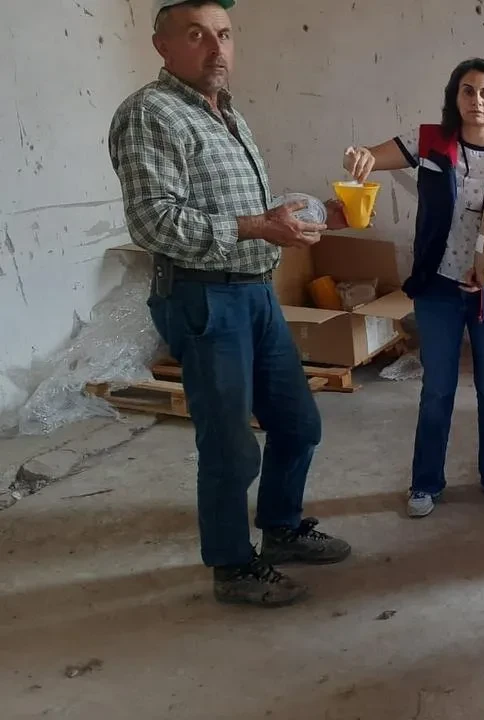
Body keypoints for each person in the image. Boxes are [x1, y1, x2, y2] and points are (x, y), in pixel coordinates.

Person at [108, 0, 353, 608]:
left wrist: (301, 218)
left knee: (298, 423)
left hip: (254, 291)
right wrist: (259, 228)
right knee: (229, 445)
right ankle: (232, 566)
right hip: (203, 296)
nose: (217, 48)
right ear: (164, 46)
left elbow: (245, 210)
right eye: (197, 35)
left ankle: (281, 529)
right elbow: (153, 221)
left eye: (224, 34)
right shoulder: (150, 113)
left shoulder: (226, 113)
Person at [342, 59, 484, 519]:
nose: (477, 101)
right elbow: (372, 156)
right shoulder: (429, 142)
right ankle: (425, 483)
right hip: (438, 289)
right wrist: (360, 157)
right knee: (437, 388)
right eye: (467, 91)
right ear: (455, 98)